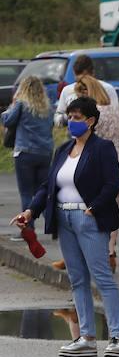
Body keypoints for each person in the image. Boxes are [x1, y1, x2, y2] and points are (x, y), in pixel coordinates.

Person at [9, 97, 119, 357]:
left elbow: (112, 182)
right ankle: (86, 337)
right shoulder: (63, 150)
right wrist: (30, 211)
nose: (70, 122)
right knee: (77, 279)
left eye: (76, 118)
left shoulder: (102, 148)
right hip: (64, 219)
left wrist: (94, 207)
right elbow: (47, 187)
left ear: (90, 121)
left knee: (103, 277)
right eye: (69, 117)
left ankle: (117, 337)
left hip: (89, 218)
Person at [74, 74, 119, 272]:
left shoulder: (91, 116)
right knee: (111, 209)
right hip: (116, 164)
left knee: (89, 208)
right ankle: (110, 251)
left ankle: (87, 254)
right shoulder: (115, 111)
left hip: (91, 165)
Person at [4, 76, 54, 241]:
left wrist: (12, 103)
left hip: (25, 152)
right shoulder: (48, 107)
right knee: (43, 192)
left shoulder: (21, 104)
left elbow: (8, 121)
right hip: (45, 153)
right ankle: (53, 226)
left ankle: (27, 230)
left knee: (26, 193)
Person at [55, 54, 118, 125]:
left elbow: (114, 116)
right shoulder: (67, 90)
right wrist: (72, 115)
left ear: (74, 73)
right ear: (93, 72)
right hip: (78, 134)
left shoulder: (106, 88)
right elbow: (115, 116)